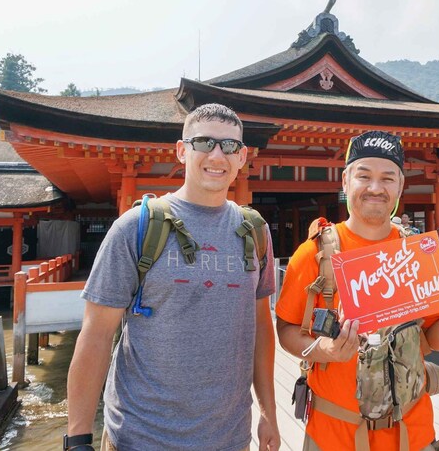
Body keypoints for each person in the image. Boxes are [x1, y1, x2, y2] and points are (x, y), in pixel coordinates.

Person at [66, 104, 280, 451]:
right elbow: (96, 334)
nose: (216, 155)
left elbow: (259, 326)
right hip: (140, 436)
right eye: (204, 143)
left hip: (229, 437)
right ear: (182, 151)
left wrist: (269, 412)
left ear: (241, 157)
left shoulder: (255, 232)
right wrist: (77, 439)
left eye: (228, 146)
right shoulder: (135, 228)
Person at [274, 130, 439, 451]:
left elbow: (429, 338)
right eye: (364, 176)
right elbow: (286, 329)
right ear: (345, 182)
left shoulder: (417, 254)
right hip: (334, 433)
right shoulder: (314, 254)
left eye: (387, 178)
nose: (375, 187)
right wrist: (323, 350)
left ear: (400, 185)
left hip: (411, 432)